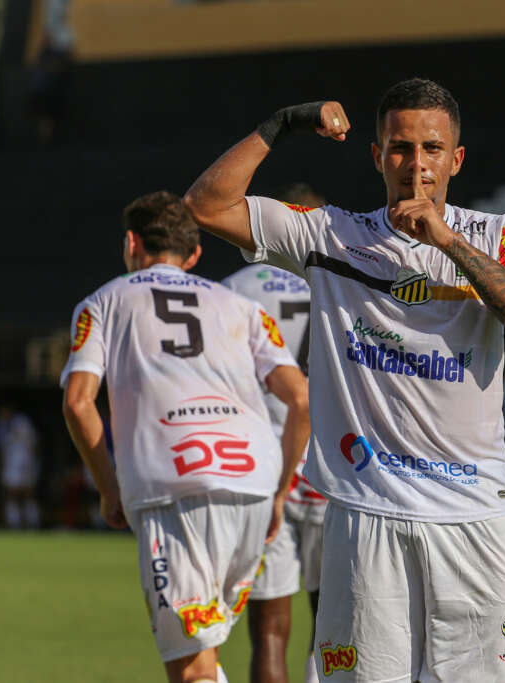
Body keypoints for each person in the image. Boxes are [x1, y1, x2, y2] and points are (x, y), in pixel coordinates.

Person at [184, 78, 505, 682]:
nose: (417, 165)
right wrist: (283, 122)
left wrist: (446, 242)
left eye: (432, 148)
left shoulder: (496, 235)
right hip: (367, 519)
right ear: (377, 156)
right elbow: (206, 206)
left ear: (457, 159)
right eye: (400, 148)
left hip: (476, 521)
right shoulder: (331, 235)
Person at [61, 190, 310, 683]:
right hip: (253, 485)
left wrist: (109, 487)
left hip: (175, 486)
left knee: (192, 667)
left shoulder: (103, 303)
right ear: (194, 255)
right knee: (206, 654)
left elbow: (77, 402)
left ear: (132, 243)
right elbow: (300, 398)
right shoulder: (241, 307)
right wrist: (280, 491)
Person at [222, 187, 325, 683]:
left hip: (262, 469)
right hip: (333, 466)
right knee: (337, 626)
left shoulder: (231, 290)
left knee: (269, 630)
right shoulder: (340, 282)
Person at [0, 404, 41, 529]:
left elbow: (33, 442)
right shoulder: (0, 425)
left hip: (25, 461)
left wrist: (33, 463)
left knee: (28, 492)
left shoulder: (23, 422)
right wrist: (1, 464)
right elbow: (0, 448)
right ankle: (14, 522)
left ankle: (33, 522)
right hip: (10, 463)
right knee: (10, 493)